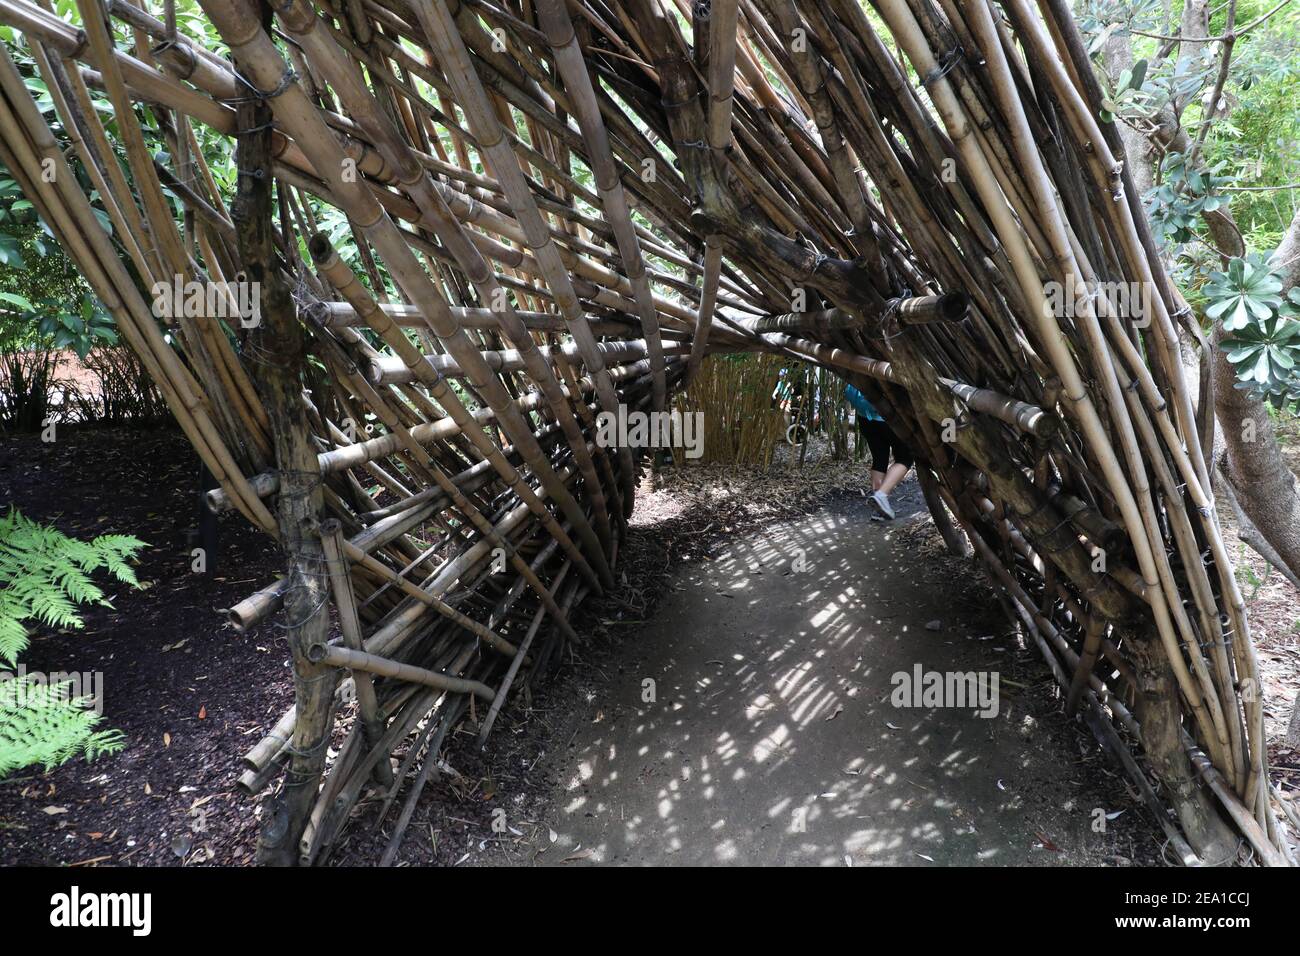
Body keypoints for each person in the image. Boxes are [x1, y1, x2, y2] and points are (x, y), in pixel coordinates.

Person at [845, 384, 913, 520]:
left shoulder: (862, 362)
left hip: (865, 418)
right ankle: (881, 495)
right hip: (888, 418)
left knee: (879, 460)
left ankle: (879, 510)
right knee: (905, 458)